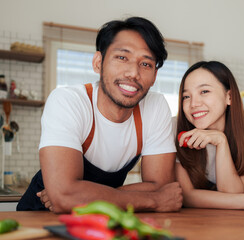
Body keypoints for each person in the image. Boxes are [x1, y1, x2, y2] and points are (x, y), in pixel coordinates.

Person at [17, 17, 183, 213]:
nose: (133, 73)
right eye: (122, 57)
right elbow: (62, 197)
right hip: (41, 216)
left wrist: (80, 197)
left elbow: (161, 186)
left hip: (103, 222)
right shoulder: (68, 101)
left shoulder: (155, 107)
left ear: (155, 76)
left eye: (146, 64)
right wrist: (153, 200)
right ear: (98, 62)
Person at [174, 61, 244, 212]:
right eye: (186, 96)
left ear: (229, 97)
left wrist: (221, 141)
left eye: (204, 91)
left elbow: (235, 194)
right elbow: (187, 196)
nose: (193, 103)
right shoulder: (175, 128)